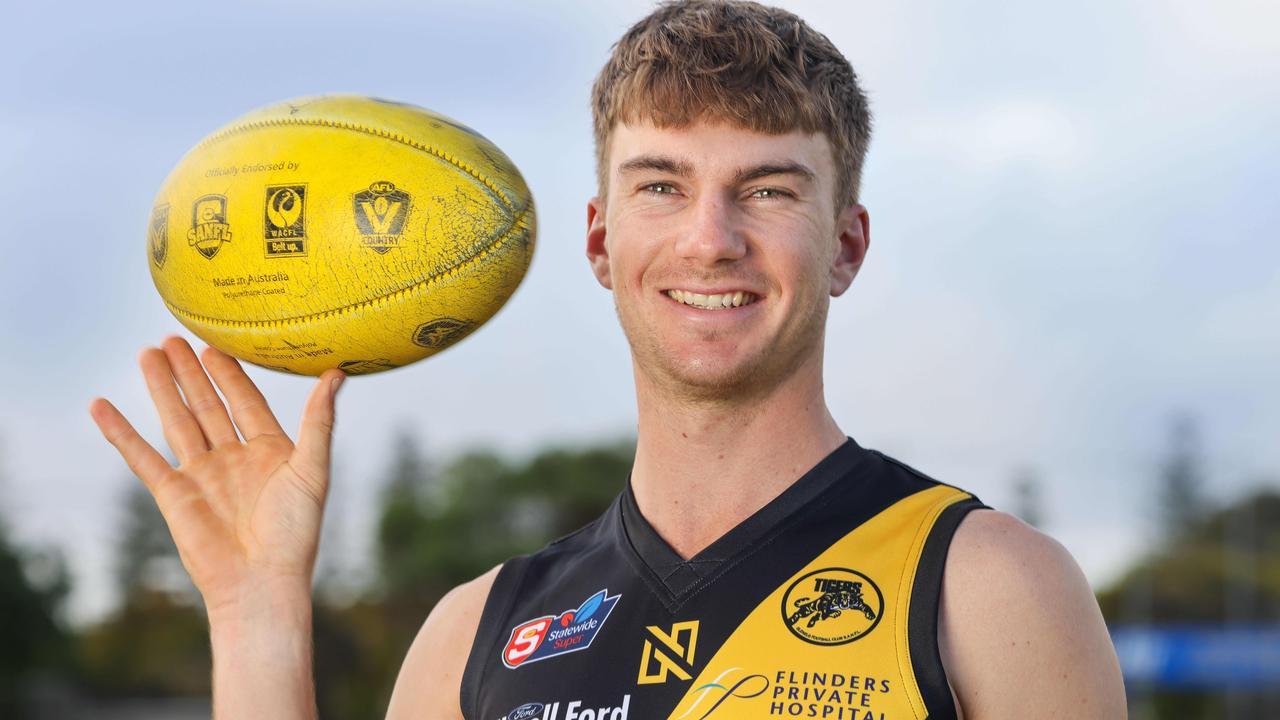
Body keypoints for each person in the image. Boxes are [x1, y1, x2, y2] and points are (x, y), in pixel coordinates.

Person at [89, 1, 1127, 718]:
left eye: (766, 190)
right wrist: (256, 611)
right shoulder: (475, 635)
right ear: (599, 241)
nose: (709, 239)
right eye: (660, 187)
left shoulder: (984, 589)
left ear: (844, 245)